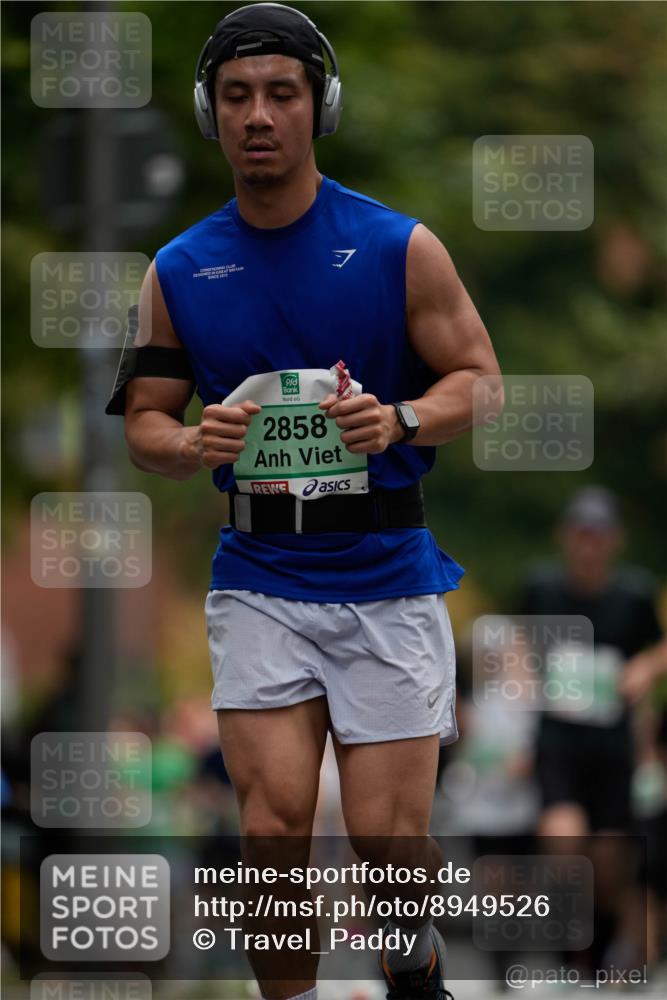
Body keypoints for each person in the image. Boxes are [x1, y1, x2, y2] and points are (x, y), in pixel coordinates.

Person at [109, 5, 502, 999]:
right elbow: (145, 425)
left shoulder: (395, 246)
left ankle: (410, 962)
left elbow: (481, 384)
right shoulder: (179, 270)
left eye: (281, 93)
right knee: (274, 829)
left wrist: (403, 420)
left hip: (386, 575)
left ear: (316, 108)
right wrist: (194, 439)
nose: (258, 115)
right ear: (211, 113)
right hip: (261, 578)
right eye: (237, 96)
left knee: (384, 839)